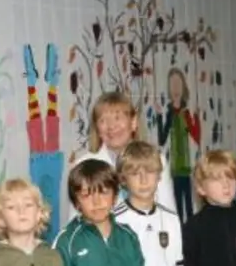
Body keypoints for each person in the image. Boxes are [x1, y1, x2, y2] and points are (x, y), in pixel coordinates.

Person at [67, 91, 177, 227]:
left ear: (133, 122)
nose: (111, 126)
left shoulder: (157, 161)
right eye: (103, 120)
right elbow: (75, 221)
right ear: (97, 129)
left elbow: (168, 212)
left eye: (117, 118)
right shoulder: (83, 165)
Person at [157, 68, 201, 221]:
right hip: (175, 169)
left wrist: (196, 117)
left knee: (189, 208)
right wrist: (158, 117)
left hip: (187, 168)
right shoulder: (170, 113)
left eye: (178, 84)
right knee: (178, 210)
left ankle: (190, 238)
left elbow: (197, 137)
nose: (175, 88)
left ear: (183, 87)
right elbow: (162, 139)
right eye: (172, 84)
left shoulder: (186, 113)